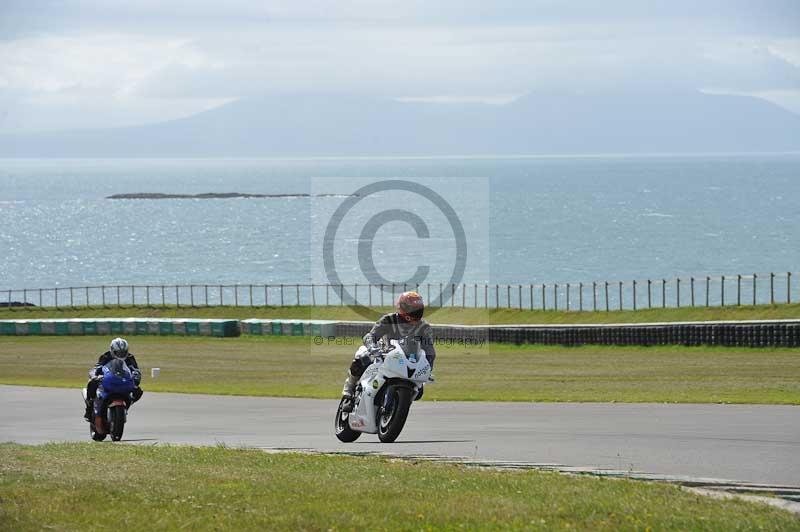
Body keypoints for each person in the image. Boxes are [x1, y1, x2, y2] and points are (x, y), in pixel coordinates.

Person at [340, 291, 436, 412]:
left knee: (419, 391)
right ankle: (348, 393)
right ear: (403, 308)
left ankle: (397, 407)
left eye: (418, 310)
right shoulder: (389, 319)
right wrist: (372, 348)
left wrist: (428, 368)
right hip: (384, 355)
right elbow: (370, 336)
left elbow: (429, 350)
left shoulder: (424, 327)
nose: (415, 313)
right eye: (413, 310)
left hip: (408, 361)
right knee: (361, 356)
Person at [83, 337, 143, 421]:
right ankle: (89, 408)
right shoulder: (106, 356)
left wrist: (136, 376)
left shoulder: (130, 357)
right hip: (108, 379)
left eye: (123, 353)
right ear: (112, 350)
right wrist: (94, 375)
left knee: (138, 391)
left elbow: (136, 369)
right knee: (92, 383)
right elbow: (97, 367)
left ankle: (127, 404)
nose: (121, 355)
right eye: (118, 353)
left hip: (123, 380)